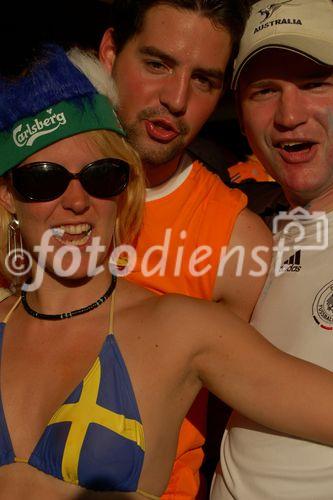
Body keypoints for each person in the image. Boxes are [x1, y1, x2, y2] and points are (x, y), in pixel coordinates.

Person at [5, 42, 333, 500]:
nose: (76, 201)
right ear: (9, 197)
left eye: (101, 175)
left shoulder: (182, 329)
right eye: (43, 178)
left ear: (123, 189)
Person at [96, 2, 272, 496]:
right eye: (157, 64)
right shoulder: (31, 187)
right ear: (109, 53)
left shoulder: (236, 239)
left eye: (204, 81)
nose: (176, 99)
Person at [210, 0, 333, 498]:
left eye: (314, 84)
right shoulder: (245, 235)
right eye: (265, 91)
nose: (288, 114)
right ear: (241, 120)